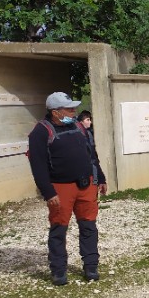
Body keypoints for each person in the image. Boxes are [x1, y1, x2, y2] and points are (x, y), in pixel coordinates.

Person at [27, 92, 108, 285]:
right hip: (60, 189)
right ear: (55, 112)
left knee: (89, 227)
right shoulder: (40, 132)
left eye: (73, 108)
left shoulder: (80, 127)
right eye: (69, 108)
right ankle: (58, 270)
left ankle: (91, 266)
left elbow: (92, 155)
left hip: (87, 186)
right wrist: (48, 192)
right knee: (59, 230)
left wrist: (101, 178)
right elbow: (37, 165)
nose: (74, 111)